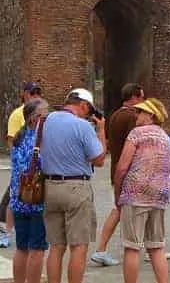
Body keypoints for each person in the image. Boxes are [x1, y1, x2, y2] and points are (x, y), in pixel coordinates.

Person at [40, 88, 106, 283]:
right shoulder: (82, 126)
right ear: (83, 105)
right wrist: (101, 130)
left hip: (50, 185)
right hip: (76, 186)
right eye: (89, 110)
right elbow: (99, 159)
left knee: (56, 246)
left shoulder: (46, 121)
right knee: (78, 246)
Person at [114, 99, 170, 283]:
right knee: (156, 246)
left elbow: (122, 167)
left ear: (151, 115)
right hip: (159, 194)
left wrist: (118, 192)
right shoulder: (165, 136)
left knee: (132, 246)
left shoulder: (136, 134)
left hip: (136, 193)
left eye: (141, 112)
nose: (137, 115)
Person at [91, 83, 145, 267]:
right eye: (142, 97)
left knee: (131, 209)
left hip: (117, 166)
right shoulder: (131, 116)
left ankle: (144, 245)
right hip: (127, 169)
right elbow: (135, 142)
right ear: (135, 97)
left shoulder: (115, 115)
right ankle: (101, 249)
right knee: (120, 209)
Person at [9, 98, 49, 283]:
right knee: (37, 249)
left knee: (21, 247)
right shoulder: (41, 141)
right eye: (45, 115)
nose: (48, 118)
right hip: (36, 201)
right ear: (35, 118)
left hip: (18, 198)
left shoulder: (19, 137)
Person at [2, 82, 42, 249]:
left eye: (38, 92)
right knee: (13, 198)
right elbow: (12, 140)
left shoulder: (41, 111)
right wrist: (17, 163)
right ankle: (7, 232)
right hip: (23, 165)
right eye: (32, 92)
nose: (35, 96)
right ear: (25, 94)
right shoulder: (17, 114)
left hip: (33, 168)